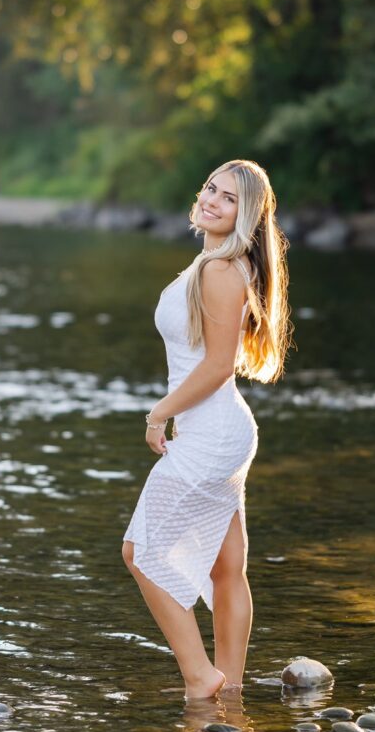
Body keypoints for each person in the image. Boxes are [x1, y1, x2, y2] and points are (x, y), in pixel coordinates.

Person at [122, 159, 293, 703]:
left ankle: (200, 678)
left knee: (140, 552)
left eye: (230, 198)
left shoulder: (221, 271)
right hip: (220, 428)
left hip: (212, 433)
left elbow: (219, 365)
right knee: (226, 568)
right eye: (211, 189)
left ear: (248, 216)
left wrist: (158, 412)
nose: (213, 200)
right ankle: (233, 694)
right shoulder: (215, 262)